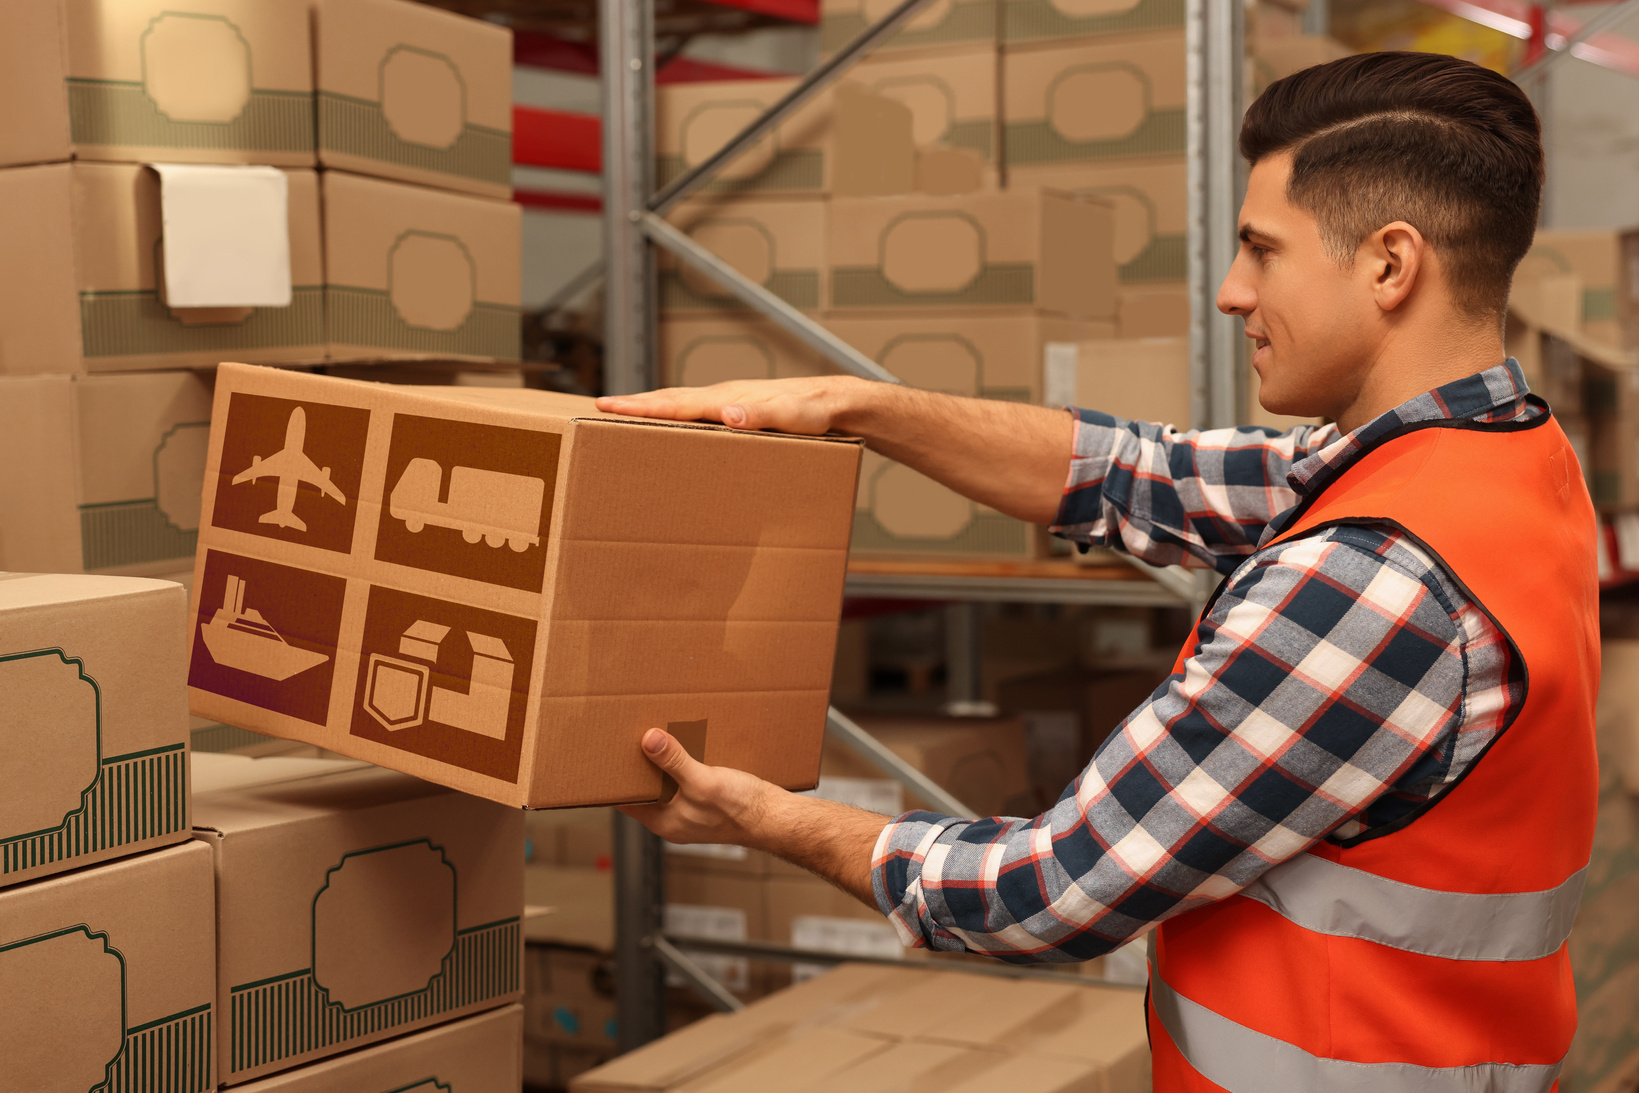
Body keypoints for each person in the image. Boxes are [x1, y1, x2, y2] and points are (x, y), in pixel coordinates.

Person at [596, 51, 1598, 1090]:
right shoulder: (1500, 455)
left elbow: (1047, 893)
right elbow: (1137, 474)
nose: (1230, 291)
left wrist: (763, 816)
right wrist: (859, 408)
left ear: (1391, 265)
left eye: (1261, 249)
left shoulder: (1369, 582)